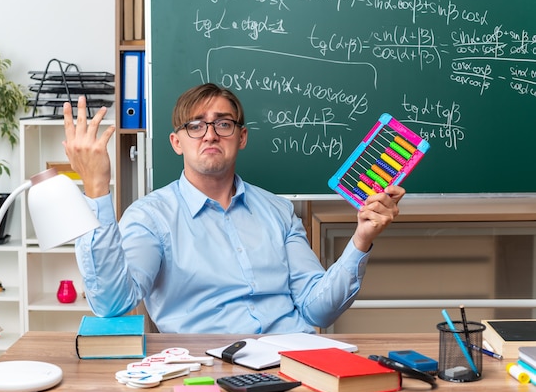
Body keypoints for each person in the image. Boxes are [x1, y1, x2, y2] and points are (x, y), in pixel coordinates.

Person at [62, 83, 404, 334]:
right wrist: (95, 188)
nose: (210, 135)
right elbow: (112, 303)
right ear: (177, 142)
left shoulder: (279, 211)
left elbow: (318, 310)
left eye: (223, 124)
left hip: (293, 360)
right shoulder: (150, 217)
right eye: (196, 125)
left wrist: (361, 239)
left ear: (241, 137)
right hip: (205, 366)